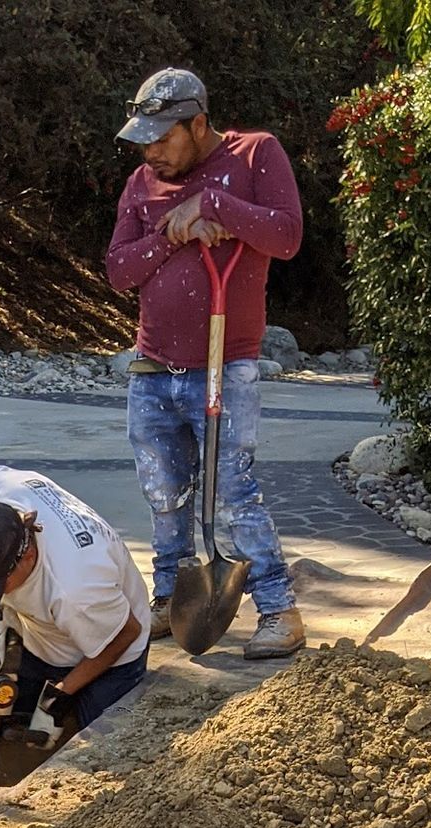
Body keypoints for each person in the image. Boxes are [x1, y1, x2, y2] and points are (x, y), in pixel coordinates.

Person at [106, 67, 306, 660]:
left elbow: (286, 235)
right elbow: (118, 270)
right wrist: (173, 233)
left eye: (161, 139)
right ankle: (171, 598)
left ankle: (278, 610)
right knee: (163, 494)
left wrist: (213, 203)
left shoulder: (255, 154)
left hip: (225, 366)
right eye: (143, 141)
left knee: (232, 493)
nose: (150, 152)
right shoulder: (141, 183)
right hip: (152, 368)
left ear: (198, 125)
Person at [0, 466, 150, 784]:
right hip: (38, 637)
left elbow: (127, 632)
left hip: (111, 649)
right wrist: (1, 625)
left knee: (100, 752)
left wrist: (59, 697)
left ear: (28, 555)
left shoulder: (76, 588)